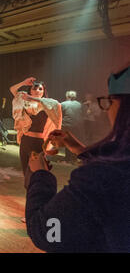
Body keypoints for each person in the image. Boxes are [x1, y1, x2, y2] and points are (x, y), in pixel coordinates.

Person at [25, 64, 130, 252]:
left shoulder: (100, 179)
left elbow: (47, 232)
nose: (107, 110)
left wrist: (41, 175)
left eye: (111, 101)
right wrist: (80, 149)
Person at [9, 78, 62, 190]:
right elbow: (12, 89)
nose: (38, 90)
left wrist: (31, 98)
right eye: (35, 88)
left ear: (43, 91)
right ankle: (30, 197)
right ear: (30, 90)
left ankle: (37, 197)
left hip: (38, 144)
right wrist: (24, 82)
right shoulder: (24, 101)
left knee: (37, 174)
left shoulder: (48, 104)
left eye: (40, 89)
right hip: (25, 141)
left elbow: (55, 104)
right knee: (26, 173)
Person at [61, 90, 84, 164]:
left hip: (67, 125)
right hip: (77, 125)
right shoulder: (79, 104)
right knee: (75, 141)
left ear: (67, 96)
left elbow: (59, 115)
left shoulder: (63, 104)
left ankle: (67, 159)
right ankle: (75, 158)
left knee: (67, 141)